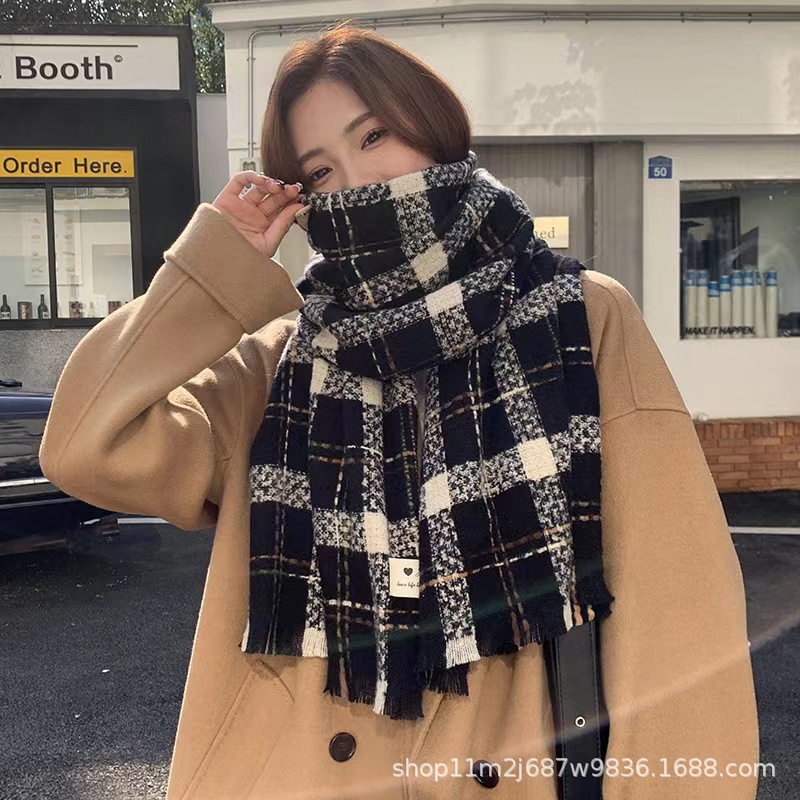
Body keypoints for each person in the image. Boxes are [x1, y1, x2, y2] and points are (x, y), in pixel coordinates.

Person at [39, 22, 759, 800]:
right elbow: (86, 445)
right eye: (321, 170)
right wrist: (214, 266)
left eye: (374, 136)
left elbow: (678, 610)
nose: (358, 181)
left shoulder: (579, 316)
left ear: (432, 125)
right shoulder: (277, 362)